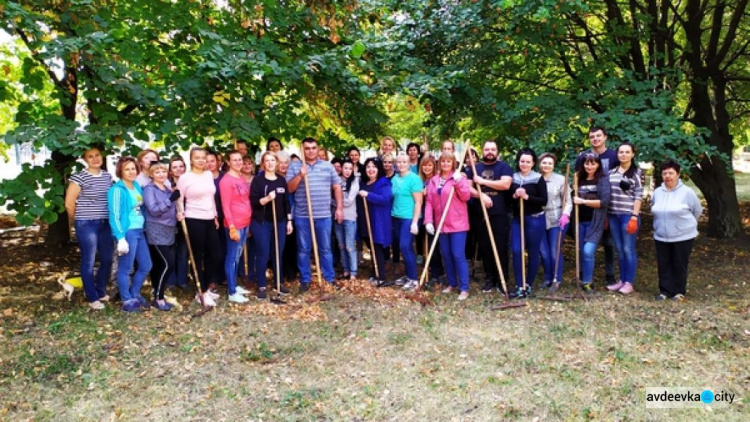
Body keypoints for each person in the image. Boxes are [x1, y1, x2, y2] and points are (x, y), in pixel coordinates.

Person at [286, 137, 343, 291]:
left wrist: (339, 208)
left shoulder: (327, 166)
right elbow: (289, 189)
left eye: (313, 148)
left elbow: (337, 187)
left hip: (323, 215)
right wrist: (300, 175)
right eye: (307, 148)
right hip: (303, 215)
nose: (311, 151)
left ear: (318, 149)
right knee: (304, 249)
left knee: (325, 248)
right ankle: (305, 279)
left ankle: (329, 278)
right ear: (302, 150)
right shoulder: (295, 166)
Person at [65, 147, 114, 310]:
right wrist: (79, 220)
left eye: (97, 155)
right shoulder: (79, 177)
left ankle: (100, 290)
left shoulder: (107, 176)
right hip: (87, 224)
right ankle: (92, 296)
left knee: (107, 259)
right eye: (90, 157)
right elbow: (69, 204)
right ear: (85, 160)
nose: (95, 159)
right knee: (89, 260)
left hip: (105, 223)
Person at [176, 147, 222, 307]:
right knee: (197, 256)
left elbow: (211, 197)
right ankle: (200, 291)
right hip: (193, 219)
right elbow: (178, 197)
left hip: (209, 218)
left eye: (203, 157)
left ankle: (206, 286)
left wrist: (215, 215)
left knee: (215, 254)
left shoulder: (208, 174)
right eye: (197, 158)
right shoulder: (185, 178)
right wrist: (179, 212)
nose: (201, 160)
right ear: (191, 160)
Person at [466, 140, 513, 293]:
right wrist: (481, 196)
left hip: (499, 215)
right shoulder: (475, 168)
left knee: (500, 247)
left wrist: (482, 181)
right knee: (485, 248)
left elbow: (505, 184)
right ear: (483, 151)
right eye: (487, 149)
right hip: (480, 215)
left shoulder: (504, 167)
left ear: (497, 151)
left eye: (493, 149)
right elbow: (467, 188)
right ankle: (490, 280)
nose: (490, 152)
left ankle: (502, 281)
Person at [651, 161, 702, 301]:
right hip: (661, 235)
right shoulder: (657, 192)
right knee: (663, 263)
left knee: (679, 263)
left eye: (671, 173)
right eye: (665, 173)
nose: (668, 176)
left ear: (678, 174)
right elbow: (654, 208)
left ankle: (679, 292)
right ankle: (665, 291)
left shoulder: (687, 192)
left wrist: (686, 225)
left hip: (683, 235)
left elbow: (697, 211)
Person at [108, 156, 153, 312]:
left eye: (133, 168)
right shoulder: (117, 190)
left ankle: (134, 293)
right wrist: (120, 238)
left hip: (140, 231)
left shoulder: (136, 186)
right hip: (127, 232)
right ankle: (127, 301)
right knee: (125, 269)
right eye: (127, 169)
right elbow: (114, 215)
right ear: (120, 171)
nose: (131, 171)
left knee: (146, 265)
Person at [425, 153, 472, 300]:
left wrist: (458, 182)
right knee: (446, 254)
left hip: (458, 223)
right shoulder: (434, 180)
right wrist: (428, 221)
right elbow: (429, 202)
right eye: (443, 161)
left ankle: (464, 287)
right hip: (441, 224)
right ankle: (452, 283)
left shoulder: (458, 178)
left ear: (453, 163)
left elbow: (466, 197)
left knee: (458, 255)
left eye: (448, 161)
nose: (445, 164)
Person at [576, 126, 618, 285]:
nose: (595, 139)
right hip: (587, 211)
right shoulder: (583, 157)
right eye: (592, 136)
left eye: (598, 136)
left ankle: (610, 273)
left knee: (609, 243)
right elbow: (577, 179)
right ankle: (584, 273)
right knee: (584, 246)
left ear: (605, 137)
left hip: (607, 206)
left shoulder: (613, 155)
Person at [251, 152, 293, 298]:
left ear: (276, 162)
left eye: (272, 160)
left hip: (280, 222)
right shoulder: (258, 180)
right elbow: (254, 202)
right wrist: (268, 198)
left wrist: (289, 221)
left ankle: (278, 283)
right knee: (263, 254)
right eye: (267, 160)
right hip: (262, 222)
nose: (270, 163)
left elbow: (286, 203)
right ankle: (261, 285)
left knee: (278, 253)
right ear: (263, 163)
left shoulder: (281, 180)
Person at [509, 148, 548, 298]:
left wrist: (526, 197)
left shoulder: (538, 178)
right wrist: (514, 195)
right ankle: (519, 284)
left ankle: (528, 284)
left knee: (533, 252)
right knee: (517, 250)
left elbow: (544, 201)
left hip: (535, 219)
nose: (524, 164)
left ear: (533, 163)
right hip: (518, 219)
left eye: (528, 161)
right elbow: (508, 200)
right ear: (518, 162)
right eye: (522, 161)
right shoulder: (513, 178)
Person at [606, 142, 643, 295]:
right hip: (613, 215)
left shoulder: (636, 173)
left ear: (633, 154)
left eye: (627, 152)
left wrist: (634, 216)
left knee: (628, 249)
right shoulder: (611, 172)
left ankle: (629, 282)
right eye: (621, 152)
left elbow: (638, 195)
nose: (624, 155)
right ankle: (621, 280)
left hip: (628, 215)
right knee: (620, 250)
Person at [142, 162, 180, 311]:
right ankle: (159, 298)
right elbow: (154, 210)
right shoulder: (149, 189)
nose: (161, 174)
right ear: (151, 174)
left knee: (160, 265)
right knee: (168, 264)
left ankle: (158, 295)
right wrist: (170, 200)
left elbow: (172, 208)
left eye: (163, 171)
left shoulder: (167, 188)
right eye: (157, 172)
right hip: (156, 229)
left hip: (169, 229)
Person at [571, 153, 611, 291]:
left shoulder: (603, 180)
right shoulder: (578, 179)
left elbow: (604, 202)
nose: (589, 166)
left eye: (593, 163)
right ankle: (583, 277)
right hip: (579, 221)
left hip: (595, 222)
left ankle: (588, 281)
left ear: (598, 164)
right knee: (582, 251)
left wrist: (583, 201)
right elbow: (572, 198)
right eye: (587, 163)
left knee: (588, 251)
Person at [219, 150, 254, 303]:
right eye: (235, 160)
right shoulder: (226, 181)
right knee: (232, 257)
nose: (238, 162)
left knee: (238, 256)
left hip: (245, 222)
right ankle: (231, 291)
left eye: (240, 159)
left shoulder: (240, 177)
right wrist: (232, 226)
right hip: (235, 224)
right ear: (228, 162)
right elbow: (225, 206)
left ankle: (234, 284)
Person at [539, 153, 572, 289]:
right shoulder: (535, 178)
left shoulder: (560, 180)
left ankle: (556, 278)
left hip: (557, 218)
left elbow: (568, 201)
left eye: (550, 163)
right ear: (539, 163)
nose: (547, 165)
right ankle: (547, 278)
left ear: (553, 165)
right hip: (539, 217)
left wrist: (565, 214)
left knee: (554, 250)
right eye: (544, 162)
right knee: (543, 251)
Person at [357, 158, 393, 285]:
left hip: (377, 221)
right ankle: (375, 271)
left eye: (373, 167)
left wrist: (368, 195)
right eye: (368, 167)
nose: (370, 169)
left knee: (377, 247)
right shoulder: (364, 183)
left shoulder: (383, 182)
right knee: (371, 247)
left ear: (378, 169)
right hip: (365, 220)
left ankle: (381, 276)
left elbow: (385, 198)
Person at [391, 152, 423, 289]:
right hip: (396, 217)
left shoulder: (414, 179)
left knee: (405, 246)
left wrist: (415, 222)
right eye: (398, 162)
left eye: (404, 162)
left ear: (409, 163)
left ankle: (414, 279)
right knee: (402, 247)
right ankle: (408, 275)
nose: (401, 164)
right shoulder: (394, 178)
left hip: (409, 218)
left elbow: (418, 202)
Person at [418, 155, 444, 286]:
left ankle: (437, 273)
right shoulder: (418, 180)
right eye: (424, 165)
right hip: (421, 215)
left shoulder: (437, 180)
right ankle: (432, 271)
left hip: (435, 215)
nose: (427, 168)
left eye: (429, 165)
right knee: (426, 246)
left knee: (434, 246)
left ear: (434, 166)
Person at [334, 160, 360, 280]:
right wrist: (336, 202)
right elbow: (329, 198)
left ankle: (353, 271)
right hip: (337, 217)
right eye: (345, 168)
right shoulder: (336, 181)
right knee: (341, 245)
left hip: (349, 217)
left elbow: (349, 200)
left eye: (350, 168)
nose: (348, 171)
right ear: (341, 169)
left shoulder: (355, 181)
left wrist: (337, 201)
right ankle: (346, 269)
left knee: (350, 245)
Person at [167, 156, 189, 291]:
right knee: (171, 251)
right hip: (170, 222)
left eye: (181, 166)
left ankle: (182, 280)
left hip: (185, 220)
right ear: (170, 170)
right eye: (174, 167)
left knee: (183, 251)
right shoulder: (166, 184)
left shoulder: (189, 182)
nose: (178, 169)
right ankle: (171, 280)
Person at [277, 151, 299, 283]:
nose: (284, 165)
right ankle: (281, 271)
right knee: (281, 245)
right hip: (279, 215)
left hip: (293, 214)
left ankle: (292, 271)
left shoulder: (291, 177)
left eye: (286, 163)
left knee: (292, 244)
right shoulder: (273, 177)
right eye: (281, 162)